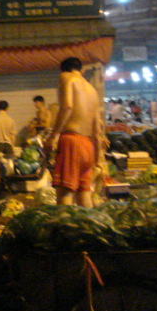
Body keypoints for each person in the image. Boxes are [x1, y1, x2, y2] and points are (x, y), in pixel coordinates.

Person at [44, 57, 103, 208]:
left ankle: (66, 230)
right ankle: (89, 229)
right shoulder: (92, 90)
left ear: (63, 70)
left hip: (72, 142)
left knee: (65, 194)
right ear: (82, 70)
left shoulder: (66, 77)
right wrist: (97, 157)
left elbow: (68, 106)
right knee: (84, 195)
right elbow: (97, 130)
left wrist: (53, 135)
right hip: (88, 145)